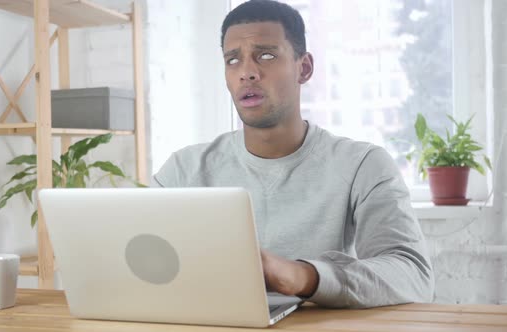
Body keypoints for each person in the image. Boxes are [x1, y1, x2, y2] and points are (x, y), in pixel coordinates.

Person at [153, 0, 434, 308]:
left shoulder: (362, 164)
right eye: (233, 60)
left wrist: (302, 276)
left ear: (305, 68)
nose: (247, 72)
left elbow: (413, 276)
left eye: (266, 55)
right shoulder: (183, 169)